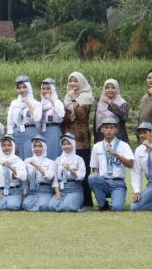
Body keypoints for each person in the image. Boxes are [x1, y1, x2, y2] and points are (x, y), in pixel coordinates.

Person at [88, 114, 134, 211]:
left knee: (117, 208)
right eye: (106, 128)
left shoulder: (123, 145)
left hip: (118, 183)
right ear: (102, 130)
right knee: (92, 177)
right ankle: (103, 204)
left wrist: (116, 154)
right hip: (103, 181)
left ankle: (115, 203)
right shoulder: (97, 146)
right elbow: (94, 168)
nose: (109, 130)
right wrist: (98, 184)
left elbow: (130, 164)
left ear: (116, 130)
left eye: (111, 128)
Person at [63, 71, 95, 204]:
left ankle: (86, 201)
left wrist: (74, 99)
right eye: (70, 80)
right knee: (70, 167)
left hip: (81, 139)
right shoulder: (66, 97)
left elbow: (81, 115)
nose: (72, 83)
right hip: (68, 138)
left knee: (83, 170)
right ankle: (73, 198)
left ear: (81, 82)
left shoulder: (86, 97)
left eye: (75, 81)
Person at [130, 121, 152, 212]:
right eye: (140, 133)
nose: (142, 135)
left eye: (145, 132)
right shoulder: (138, 150)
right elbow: (136, 172)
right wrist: (137, 191)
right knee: (134, 207)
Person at [0, 135, 26, 211]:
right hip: (0, 191)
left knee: (12, 206)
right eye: (4, 145)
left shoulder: (18, 161)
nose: (6, 147)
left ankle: (12, 202)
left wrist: (10, 167)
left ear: (13, 146)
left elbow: (24, 176)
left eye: (9, 145)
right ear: (0, 147)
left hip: (14, 191)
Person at [21, 135, 58, 212]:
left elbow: (49, 176)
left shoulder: (50, 162)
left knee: (43, 205)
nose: (37, 149)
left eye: (40, 146)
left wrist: (36, 166)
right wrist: (25, 194)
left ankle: (42, 203)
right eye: (35, 146)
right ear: (32, 148)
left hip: (45, 190)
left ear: (44, 147)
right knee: (25, 204)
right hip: (33, 191)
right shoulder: (27, 161)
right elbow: (25, 181)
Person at [50, 133, 86, 212]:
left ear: (73, 144)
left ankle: (74, 202)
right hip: (62, 190)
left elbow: (81, 176)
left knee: (66, 207)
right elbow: (55, 178)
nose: (66, 146)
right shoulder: (58, 160)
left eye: (69, 144)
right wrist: (57, 192)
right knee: (51, 206)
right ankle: (66, 201)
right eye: (64, 144)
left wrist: (69, 169)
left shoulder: (79, 159)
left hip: (75, 189)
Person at [6, 76, 40, 159]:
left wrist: (28, 103)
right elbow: (10, 121)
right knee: (17, 158)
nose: (22, 90)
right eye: (19, 88)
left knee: (30, 158)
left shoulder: (36, 103)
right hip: (17, 133)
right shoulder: (14, 103)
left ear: (29, 87)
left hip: (31, 132)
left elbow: (36, 118)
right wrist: (10, 136)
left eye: (24, 87)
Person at [37, 79, 65, 159]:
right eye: (43, 88)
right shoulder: (40, 104)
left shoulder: (57, 102)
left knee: (53, 155)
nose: (45, 91)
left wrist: (51, 101)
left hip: (53, 131)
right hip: (42, 131)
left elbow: (61, 115)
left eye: (48, 88)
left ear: (52, 89)